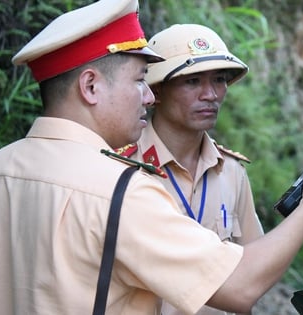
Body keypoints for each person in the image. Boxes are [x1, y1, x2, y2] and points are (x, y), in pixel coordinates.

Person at [0, 1, 303, 314]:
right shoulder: (120, 190)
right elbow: (240, 286)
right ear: (91, 86)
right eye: (138, 82)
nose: (149, 96)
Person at [115, 23, 264, 315]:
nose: (210, 94)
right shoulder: (122, 169)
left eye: (219, 79)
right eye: (192, 81)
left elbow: (253, 269)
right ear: (156, 89)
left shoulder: (232, 172)